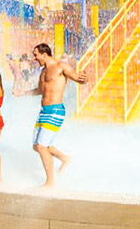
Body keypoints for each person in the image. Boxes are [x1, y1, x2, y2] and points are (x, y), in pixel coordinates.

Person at [13, 42, 87, 188]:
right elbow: (39, 91)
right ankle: (64, 158)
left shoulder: (61, 67)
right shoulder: (42, 72)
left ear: (44, 54)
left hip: (55, 111)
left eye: (36, 55)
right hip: (44, 112)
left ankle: (50, 182)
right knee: (37, 146)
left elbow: (78, 78)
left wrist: (85, 79)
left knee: (42, 147)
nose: (34, 58)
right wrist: (22, 93)